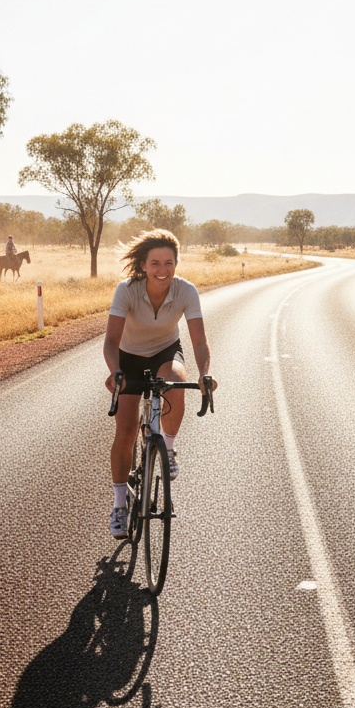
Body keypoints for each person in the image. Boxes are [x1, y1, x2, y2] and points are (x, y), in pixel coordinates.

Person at [103, 228, 216, 540]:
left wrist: (204, 373)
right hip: (128, 356)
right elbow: (111, 342)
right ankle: (120, 505)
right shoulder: (126, 290)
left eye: (169, 263)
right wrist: (115, 372)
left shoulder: (186, 291)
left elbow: (199, 341)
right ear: (143, 265)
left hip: (165, 351)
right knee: (125, 432)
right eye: (155, 263)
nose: (162, 270)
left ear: (176, 264)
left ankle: (168, 449)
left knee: (175, 381)